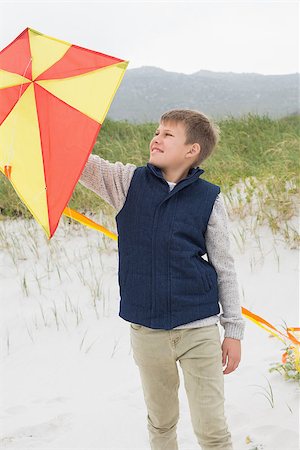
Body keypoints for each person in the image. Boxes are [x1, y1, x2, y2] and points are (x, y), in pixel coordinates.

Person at [78, 109, 246, 450]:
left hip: (199, 329)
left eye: (168, 134)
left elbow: (225, 268)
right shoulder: (127, 182)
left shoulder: (209, 198)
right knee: (161, 421)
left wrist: (233, 331)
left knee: (212, 428)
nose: (157, 137)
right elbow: (80, 163)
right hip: (147, 330)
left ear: (192, 150)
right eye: (157, 131)